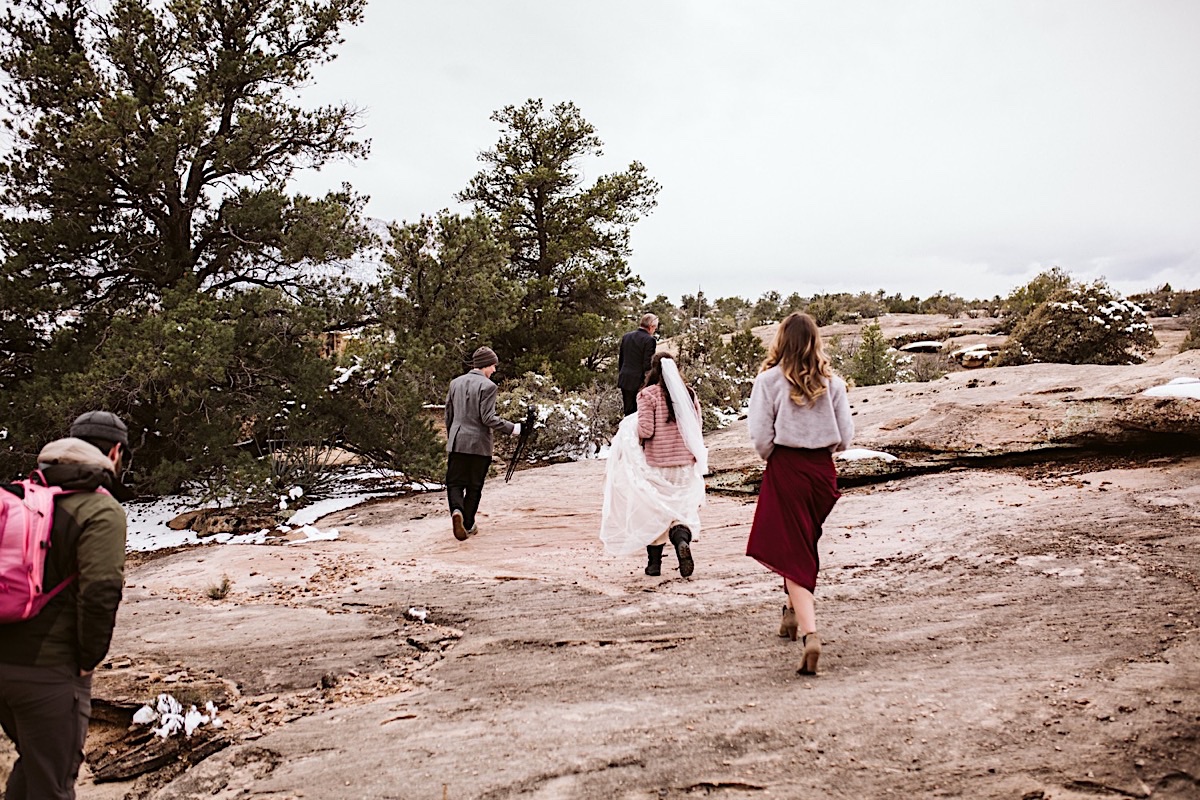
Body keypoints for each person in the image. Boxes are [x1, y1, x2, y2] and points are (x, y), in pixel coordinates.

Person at [0, 411, 130, 800]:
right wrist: (89, 659)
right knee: (54, 785)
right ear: (116, 452)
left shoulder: (22, 495)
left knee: (36, 765)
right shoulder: (99, 509)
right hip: (48, 671)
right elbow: (101, 592)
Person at [745, 313, 853, 676]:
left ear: (781, 341)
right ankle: (789, 615)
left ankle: (810, 634)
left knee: (795, 552)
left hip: (787, 468)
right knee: (801, 542)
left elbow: (760, 435)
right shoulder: (832, 383)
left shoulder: (768, 381)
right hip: (822, 472)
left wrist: (775, 459)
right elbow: (845, 437)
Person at [600, 352, 707, 578]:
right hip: (685, 463)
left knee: (654, 510)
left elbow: (646, 430)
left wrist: (632, 431)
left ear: (653, 369)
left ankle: (654, 564)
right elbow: (696, 428)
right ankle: (681, 542)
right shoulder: (689, 394)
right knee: (681, 510)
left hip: (659, 462)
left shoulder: (647, 395)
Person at [444, 346, 520, 541]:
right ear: (486, 365)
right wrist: (512, 428)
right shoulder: (488, 386)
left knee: (454, 483)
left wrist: (452, 437)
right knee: (474, 485)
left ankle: (456, 512)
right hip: (479, 444)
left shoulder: (455, 383)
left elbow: (449, 415)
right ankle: (468, 524)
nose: (494, 370)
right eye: (493, 365)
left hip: (457, 441)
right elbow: (488, 418)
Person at [617, 313, 659, 416]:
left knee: (627, 413)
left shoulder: (626, 336)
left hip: (625, 378)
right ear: (651, 326)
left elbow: (621, 360)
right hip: (639, 381)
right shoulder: (650, 340)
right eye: (655, 328)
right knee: (639, 414)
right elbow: (647, 364)